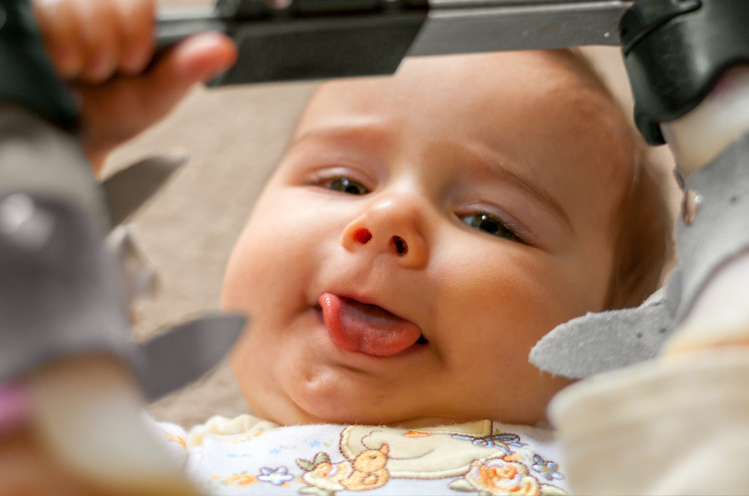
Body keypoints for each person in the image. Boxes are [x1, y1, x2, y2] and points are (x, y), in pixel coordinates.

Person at [2, 0, 679, 494]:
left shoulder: (623, 471)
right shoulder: (146, 456)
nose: (386, 220)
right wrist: (44, 146)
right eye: (342, 181)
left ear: (605, 350)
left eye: (488, 222)